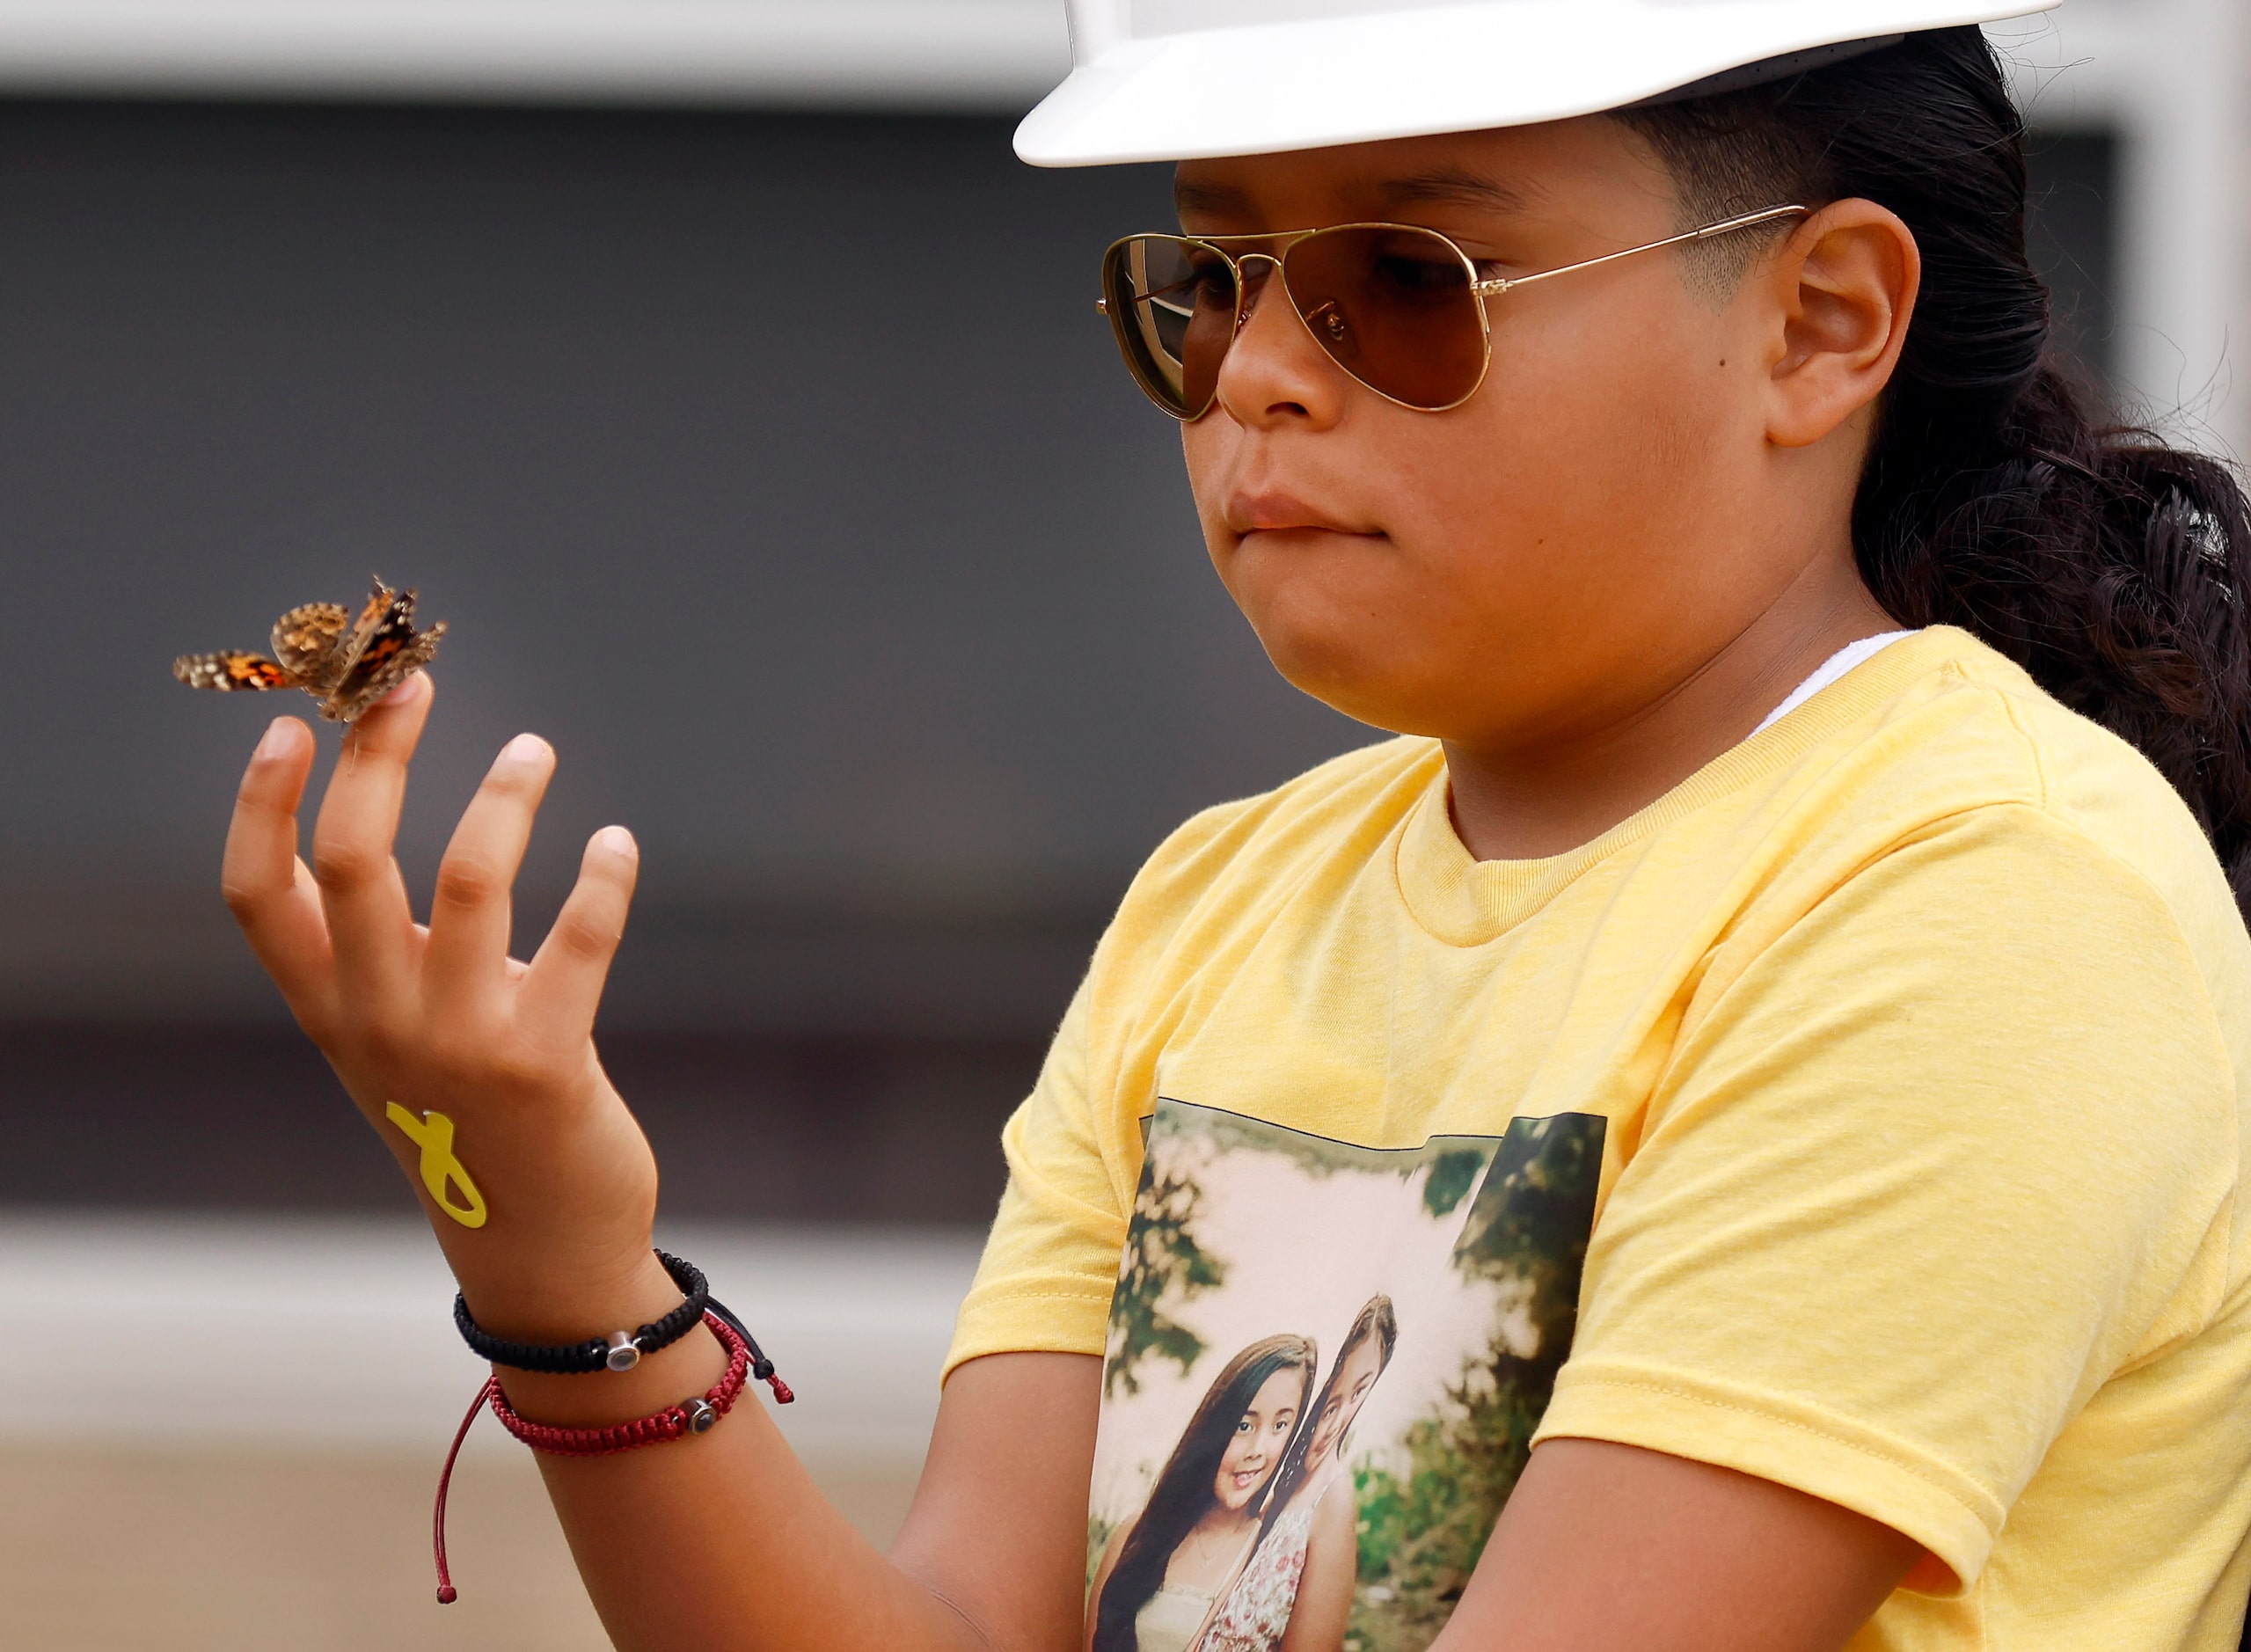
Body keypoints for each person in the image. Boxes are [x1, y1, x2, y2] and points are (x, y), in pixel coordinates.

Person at [209, 2, 2251, 1647]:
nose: (1258, 372)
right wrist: (562, 1242)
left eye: (1404, 276)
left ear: (1818, 325)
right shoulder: (1226, 899)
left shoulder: (1984, 893)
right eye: (1210, 274)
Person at [1087, 1334, 1318, 1652]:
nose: (1258, 1451)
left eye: (1280, 1425)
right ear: (1215, 1428)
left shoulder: (1270, 1553)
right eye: (1244, 1426)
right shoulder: (1135, 1534)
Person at [1197, 1297, 1398, 1652]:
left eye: (1359, 1392)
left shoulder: (1333, 1496)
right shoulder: (1278, 1488)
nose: (1337, 1419)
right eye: (1333, 1397)